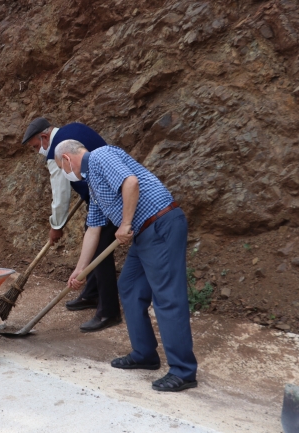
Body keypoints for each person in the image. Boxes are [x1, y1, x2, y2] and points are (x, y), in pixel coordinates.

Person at [54, 139, 198, 392]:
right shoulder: (94, 184)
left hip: (160, 223)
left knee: (167, 297)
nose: (67, 175)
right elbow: (94, 229)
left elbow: (131, 182)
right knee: (129, 287)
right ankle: (144, 354)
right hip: (143, 233)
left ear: (66, 159)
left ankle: (183, 371)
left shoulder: (100, 156)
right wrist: (80, 269)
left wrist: (125, 224)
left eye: (62, 168)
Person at [22, 117, 121, 332]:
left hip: (110, 199)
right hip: (102, 196)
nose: (38, 151)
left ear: (45, 137)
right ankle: (92, 294)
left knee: (100, 251)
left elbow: (61, 193)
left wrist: (56, 226)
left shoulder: (57, 151)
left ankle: (109, 312)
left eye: (36, 146)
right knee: (92, 237)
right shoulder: (74, 128)